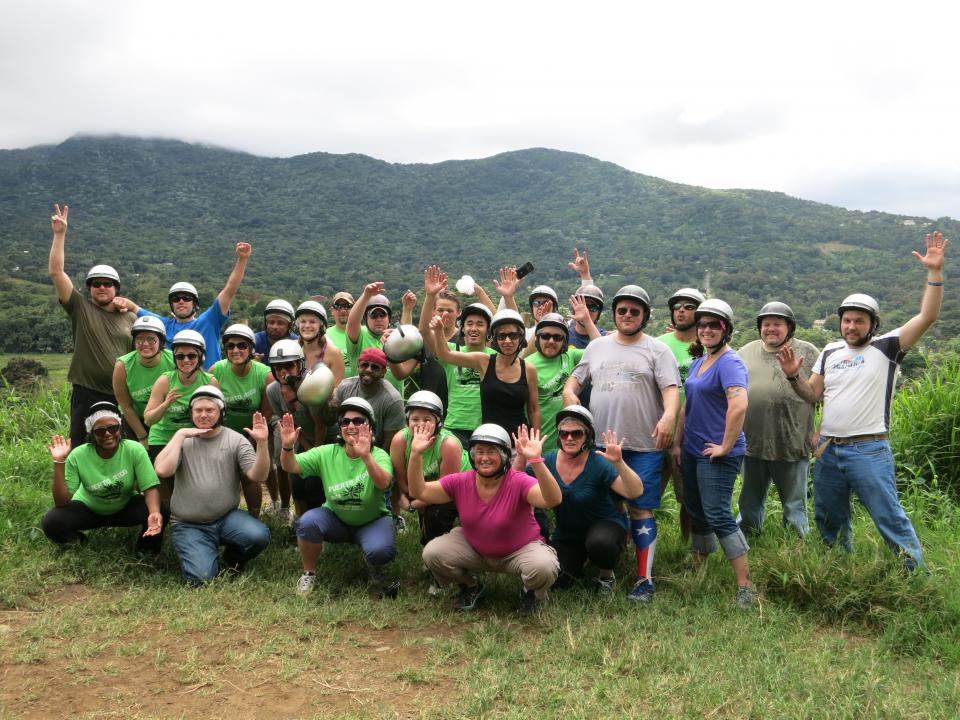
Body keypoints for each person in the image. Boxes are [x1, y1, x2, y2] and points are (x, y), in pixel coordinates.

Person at [777, 231, 948, 570]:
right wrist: (794, 375)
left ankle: (913, 574)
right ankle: (838, 570)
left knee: (888, 515)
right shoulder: (829, 351)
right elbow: (812, 395)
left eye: (859, 320)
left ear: (872, 324)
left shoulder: (887, 348)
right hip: (828, 449)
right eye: (847, 320)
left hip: (869, 449)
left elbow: (927, 317)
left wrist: (934, 273)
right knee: (829, 516)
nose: (851, 326)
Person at [563, 285, 680, 603]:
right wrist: (571, 396)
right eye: (622, 310)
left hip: (643, 444)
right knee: (609, 508)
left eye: (635, 311)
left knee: (640, 508)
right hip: (600, 444)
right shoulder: (597, 347)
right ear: (614, 313)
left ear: (644, 316)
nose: (628, 315)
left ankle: (644, 579)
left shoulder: (658, 350)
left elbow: (671, 390)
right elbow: (573, 383)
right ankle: (608, 569)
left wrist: (669, 417)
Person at [411, 424, 561, 614]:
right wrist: (416, 455)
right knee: (432, 553)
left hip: (519, 550)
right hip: (475, 548)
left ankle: (529, 592)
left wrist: (537, 461)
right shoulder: (461, 481)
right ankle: (470, 586)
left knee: (544, 567)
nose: (484, 457)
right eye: (479, 451)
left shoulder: (518, 480)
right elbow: (419, 491)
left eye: (492, 452)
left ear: (505, 456)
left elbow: (553, 499)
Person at [672, 299, 755, 608]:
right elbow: (687, 407)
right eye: (702, 325)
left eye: (713, 325)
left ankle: (745, 585)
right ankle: (700, 560)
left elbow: (739, 405)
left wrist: (726, 445)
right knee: (696, 509)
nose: (706, 330)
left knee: (719, 513)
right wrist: (678, 443)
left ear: (726, 330)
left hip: (717, 454)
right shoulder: (700, 361)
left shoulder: (729, 362)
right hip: (693, 449)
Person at [281, 398, 399, 598]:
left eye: (358, 420)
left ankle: (375, 569)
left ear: (370, 426)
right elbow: (290, 466)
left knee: (381, 550)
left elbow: (383, 483)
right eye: (345, 421)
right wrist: (287, 447)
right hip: (335, 517)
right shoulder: (328, 452)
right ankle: (309, 573)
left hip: (372, 520)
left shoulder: (379, 455)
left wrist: (365, 456)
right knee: (307, 522)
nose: (351, 425)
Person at [154, 386, 271, 585]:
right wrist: (180, 434)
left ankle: (232, 559)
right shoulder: (181, 440)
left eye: (210, 410)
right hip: (188, 523)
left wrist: (261, 444)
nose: (203, 415)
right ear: (191, 413)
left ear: (221, 413)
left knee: (258, 536)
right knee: (203, 579)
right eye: (198, 410)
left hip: (226, 518)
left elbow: (258, 475)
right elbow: (163, 471)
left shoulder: (236, 440)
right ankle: (202, 553)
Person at [47, 204, 137, 448]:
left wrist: (134, 306)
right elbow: (57, 273)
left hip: (121, 396)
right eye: (96, 283)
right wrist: (60, 234)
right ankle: (79, 487)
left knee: (123, 447)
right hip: (86, 391)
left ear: (116, 288)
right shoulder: (80, 308)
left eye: (108, 283)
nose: (101, 287)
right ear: (89, 288)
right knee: (82, 445)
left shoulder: (130, 317)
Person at [737, 302, 818, 537]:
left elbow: (823, 393)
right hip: (752, 442)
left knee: (794, 504)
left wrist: (819, 431)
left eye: (777, 324)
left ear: (789, 328)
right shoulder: (745, 352)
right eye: (766, 324)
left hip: (792, 441)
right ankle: (747, 541)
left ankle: (796, 544)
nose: (771, 328)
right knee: (749, 502)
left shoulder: (808, 352)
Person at [542, 406, 643, 591]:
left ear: (588, 436)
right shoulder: (547, 461)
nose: (569, 438)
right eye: (564, 434)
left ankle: (606, 575)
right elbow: (518, 485)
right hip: (567, 534)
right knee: (558, 581)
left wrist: (619, 462)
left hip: (604, 526)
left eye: (576, 433)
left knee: (600, 543)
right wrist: (526, 458)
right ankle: (580, 562)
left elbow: (634, 492)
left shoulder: (598, 462)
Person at [42, 402, 163, 551]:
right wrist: (59, 461)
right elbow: (61, 502)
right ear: (91, 433)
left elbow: (150, 488)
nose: (107, 434)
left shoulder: (134, 449)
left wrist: (155, 513)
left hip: (124, 506)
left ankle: (146, 551)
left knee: (160, 509)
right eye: (100, 431)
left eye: (113, 428)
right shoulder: (78, 455)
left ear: (120, 428)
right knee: (52, 522)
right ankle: (80, 543)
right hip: (89, 508)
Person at [131, 241, 252, 367]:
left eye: (186, 298)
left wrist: (242, 259)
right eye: (176, 299)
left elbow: (230, 290)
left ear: (195, 303)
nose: (181, 301)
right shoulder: (163, 326)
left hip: (209, 384)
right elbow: (135, 308)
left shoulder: (209, 321)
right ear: (171, 304)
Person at [431, 309, 541, 441]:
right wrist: (438, 331)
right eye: (501, 336)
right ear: (494, 338)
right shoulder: (484, 361)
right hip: (488, 439)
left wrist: (535, 440)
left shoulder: (529, 369)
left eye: (513, 335)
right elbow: (446, 355)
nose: (507, 341)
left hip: (519, 441)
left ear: (521, 337)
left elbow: (534, 409)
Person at [143, 330, 217, 504]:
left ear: (201, 357)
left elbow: (217, 417)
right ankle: (168, 516)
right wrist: (166, 404)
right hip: (164, 437)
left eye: (191, 356)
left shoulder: (209, 381)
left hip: (195, 438)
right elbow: (148, 419)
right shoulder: (165, 381)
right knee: (165, 483)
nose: (185, 361)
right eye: (180, 356)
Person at [656, 287, 706, 541]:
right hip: (658, 428)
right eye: (677, 307)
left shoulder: (709, 345)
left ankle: (692, 547)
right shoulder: (659, 344)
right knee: (646, 493)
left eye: (688, 306)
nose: (681, 311)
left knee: (689, 497)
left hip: (693, 432)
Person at [390, 391, 470, 547]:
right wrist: (410, 499)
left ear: (439, 422)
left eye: (427, 419)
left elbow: (446, 490)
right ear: (407, 421)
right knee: (430, 517)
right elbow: (402, 482)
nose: (420, 424)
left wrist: (414, 505)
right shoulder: (400, 440)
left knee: (436, 512)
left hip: (460, 489)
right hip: (423, 487)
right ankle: (430, 547)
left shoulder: (449, 445)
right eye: (414, 419)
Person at [265, 339, 327, 517]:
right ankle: (300, 521)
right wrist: (306, 448)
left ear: (300, 364)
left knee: (314, 484)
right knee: (297, 482)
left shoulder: (310, 386)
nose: (283, 372)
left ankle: (319, 524)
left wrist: (315, 454)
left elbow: (320, 426)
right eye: (278, 368)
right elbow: (289, 422)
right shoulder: (273, 391)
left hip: (324, 440)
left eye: (289, 366)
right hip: (302, 438)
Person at [427, 301, 495, 447]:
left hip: (485, 427)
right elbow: (425, 332)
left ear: (488, 330)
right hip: (455, 426)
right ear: (462, 328)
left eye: (480, 324)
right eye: (469, 323)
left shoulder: (495, 357)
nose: (474, 328)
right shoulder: (451, 351)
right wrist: (430, 296)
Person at [524, 312, 586, 452]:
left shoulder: (569, 356)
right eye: (546, 336)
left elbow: (599, 350)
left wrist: (587, 322)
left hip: (567, 442)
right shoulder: (527, 365)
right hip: (541, 444)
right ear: (538, 338)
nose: (551, 341)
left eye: (557, 337)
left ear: (564, 341)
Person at [112, 315, 174, 448]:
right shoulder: (123, 365)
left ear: (161, 342)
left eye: (151, 339)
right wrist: (143, 437)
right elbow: (126, 406)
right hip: (134, 419)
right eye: (139, 340)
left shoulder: (174, 360)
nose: (145, 344)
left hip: (165, 418)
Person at [211, 324, 273, 436]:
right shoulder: (216, 370)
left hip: (253, 434)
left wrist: (252, 441)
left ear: (251, 349)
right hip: (221, 434)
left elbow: (266, 413)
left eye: (242, 346)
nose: (235, 350)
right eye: (230, 346)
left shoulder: (265, 375)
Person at [346, 282, 404, 392]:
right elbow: (352, 322)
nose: (378, 319)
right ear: (365, 319)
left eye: (383, 315)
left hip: (392, 404)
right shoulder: (360, 336)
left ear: (389, 318)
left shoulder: (397, 338)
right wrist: (366, 295)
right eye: (373, 315)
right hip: (361, 403)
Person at [296, 300, 345, 387]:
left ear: (321, 326)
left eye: (312, 322)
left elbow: (337, 389)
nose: (307, 325)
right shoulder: (293, 349)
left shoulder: (334, 353)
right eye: (303, 321)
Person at [326, 291, 355, 377]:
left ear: (355, 308)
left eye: (348, 306)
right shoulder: (325, 336)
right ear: (332, 310)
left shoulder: (365, 333)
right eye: (338, 307)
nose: (342, 310)